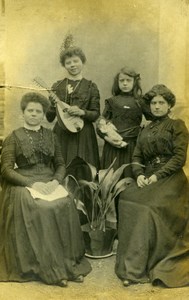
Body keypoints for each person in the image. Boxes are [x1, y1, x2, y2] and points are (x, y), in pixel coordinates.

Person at [0, 92, 91, 287]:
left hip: (49, 181)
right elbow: (6, 169)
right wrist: (32, 184)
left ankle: (68, 266)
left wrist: (56, 181)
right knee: (43, 209)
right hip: (23, 183)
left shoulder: (51, 135)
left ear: (43, 114)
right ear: (23, 113)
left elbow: (60, 163)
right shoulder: (13, 137)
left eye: (38, 111)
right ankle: (51, 270)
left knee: (65, 203)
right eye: (30, 110)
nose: (34, 114)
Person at [115, 84, 189, 287]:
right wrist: (139, 174)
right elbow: (137, 155)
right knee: (126, 199)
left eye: (161, 103)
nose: (156, 106)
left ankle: (138, 268)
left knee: (148, 207)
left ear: (169, 105)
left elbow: (179, 158)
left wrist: (156, 176)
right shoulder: (145, 129)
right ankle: (131, 264)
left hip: (171, 179)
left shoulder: (177, 126)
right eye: (154, 103)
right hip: (147, 176)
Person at [46, 36, 100, 169]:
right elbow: (49, 117)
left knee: (84, 170)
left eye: (76, 61)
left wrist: (82, 112)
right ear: (64, 65)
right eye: (68, 62)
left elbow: (95, 114)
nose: (73, 65)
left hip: (84, 136)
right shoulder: (57, 86)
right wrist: (53, 106)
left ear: (83, 61)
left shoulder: (90, 86)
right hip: (62, 134)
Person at [96, 66, 151, 177]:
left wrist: (146, 125)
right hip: (112, 147)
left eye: (128, 80)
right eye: (122, 80)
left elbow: (152, 119)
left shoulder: (140, 101)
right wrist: (109, 139)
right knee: (111, 178)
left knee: (129, 176)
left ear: (134, 82)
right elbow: (100, 125)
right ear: (118, 82)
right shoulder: (112, 101)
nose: (125, 83)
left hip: (133, 147)